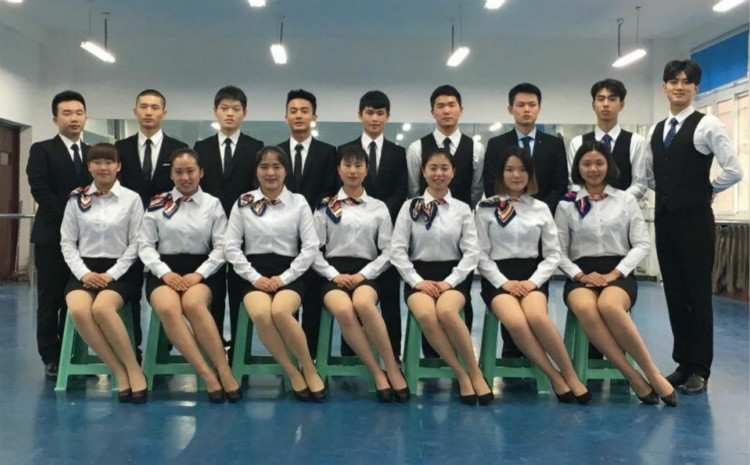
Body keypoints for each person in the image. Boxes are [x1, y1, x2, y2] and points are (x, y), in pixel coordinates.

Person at [644, 59, 743, 395]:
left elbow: (734, 170)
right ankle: (683, 363)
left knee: (697, 293)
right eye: (673, 81)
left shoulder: (708, 124)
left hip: (695, 221)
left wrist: (707, 190)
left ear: (695, 87)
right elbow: (650, 176)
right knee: (674, 291)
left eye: (686, 81)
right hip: (665, 219)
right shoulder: (657, 129)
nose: (679, 86)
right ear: (664, 86)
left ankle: (700, 368)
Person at [556, 141, 677, 407]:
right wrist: (580, 275)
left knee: (609, 306)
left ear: (608, 166)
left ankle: (653, 373)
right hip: (580, 276)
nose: (593, 169)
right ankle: (632, 376)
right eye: (587, 163)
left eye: (599, 163)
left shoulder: (625, 200)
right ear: (578, 168)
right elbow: (558, 251)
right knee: (586, 308)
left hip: (618, 274)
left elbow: (642, 244)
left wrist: (615, 272)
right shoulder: (567, 204)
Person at [476, 146, 590, 404]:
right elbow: (480, 254)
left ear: (530, 174)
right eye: (509, 169)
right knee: (516, 322)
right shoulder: (485, 208)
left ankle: (571, 376)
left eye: (522, 169)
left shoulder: (540, 208)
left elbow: (553, 254)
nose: (516, 175)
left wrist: (532, 282)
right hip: (498, 279)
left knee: (537, 317)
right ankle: (555, 376)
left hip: (532, 277)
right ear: (500, 174)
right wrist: (504, 282)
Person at [391, 148, 493, 405]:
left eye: (444, 168)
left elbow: (472, 252)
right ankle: (462, 374)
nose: (439, 173)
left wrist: (450, 282)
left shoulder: (462, 209)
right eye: (433, 168)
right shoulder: (409, 207)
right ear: (423, 172)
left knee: (447, 312)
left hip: (453, 278)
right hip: (418, 277)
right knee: (426, 314)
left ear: (453, 172)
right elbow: (398, 250)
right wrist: (417, 281)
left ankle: (475, 372)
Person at [138, 148, 241, 403]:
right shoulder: (157, 203)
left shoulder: (212, 204)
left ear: (201, 172)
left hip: (203, 269)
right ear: (171, 175)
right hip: (164, 270)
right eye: (179, 172)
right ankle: (207, 374)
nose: (185, 177)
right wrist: (164, 273)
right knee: (168, 308)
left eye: (190, 171)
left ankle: (224, 369)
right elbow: (145, 245)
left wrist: (199, 274)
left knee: (193, 304)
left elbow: (222, 246)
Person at [224, 146, 326, 401]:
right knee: (261, 313)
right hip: (253, 273)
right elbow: (231, 246)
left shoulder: (298, 202)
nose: (270, 173)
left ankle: (309, 368)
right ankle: (292, 372)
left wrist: (284, 278)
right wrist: (254, 277)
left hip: (289, 272)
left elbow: (310, 247)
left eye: (276, 167)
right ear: (256, 171)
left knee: (280, 311)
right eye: (264, 167)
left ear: (286, 171)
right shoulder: (243, 202)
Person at [312, 145, 409, 403]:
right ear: (339, 169)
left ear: (367, 170)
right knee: (344, 310)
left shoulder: (378, 207)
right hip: (333, 275)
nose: (353, 171)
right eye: (347, 165)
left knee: (364, 304)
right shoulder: (324, 207)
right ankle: (377, 372)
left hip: (366, 273)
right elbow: (313, 249)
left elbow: (388, 250)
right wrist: (333, 275)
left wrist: (364, 274)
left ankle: (392, 366)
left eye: (358, 165)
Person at [482, 82, 569, 358]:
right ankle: (512, 353)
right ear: (511, 109)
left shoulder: (554, 144)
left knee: (533, 306)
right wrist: (512, 209)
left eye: (532, 105)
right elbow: (489, 182)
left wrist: (535, 210)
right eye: (520, 105)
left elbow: (560, 184)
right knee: (512, 309)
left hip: (539, 226)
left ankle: (533, 359)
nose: (526, 109)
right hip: (503, 223)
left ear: (539, 108)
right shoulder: (497, 144)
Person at [60, 143, 146, 403]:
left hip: (121, 270)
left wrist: (112, 274)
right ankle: (118, 370)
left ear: (118, 166)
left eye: (109, 162)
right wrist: (84, 273)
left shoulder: (131, 199)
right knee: (78, 310)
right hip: (84, 269)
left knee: (102, 309)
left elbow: (137, 243)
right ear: (89, 167)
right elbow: (67, 242)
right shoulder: (76, 199)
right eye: (97, 162)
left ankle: (133, 368)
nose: (103, 167)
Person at [405, 85, 484, 354]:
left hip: (458, 230)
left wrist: (457, 214)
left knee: (462, 303)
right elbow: (413, 188)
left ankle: (462, 356)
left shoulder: (476, 148)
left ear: (461, 110)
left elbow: (476, 190)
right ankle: (431, 357)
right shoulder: (417, 148)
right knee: (427, 310)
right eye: (440, 106)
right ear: (432, 112)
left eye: (452, 105)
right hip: (423, 232)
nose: (446, 110)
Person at [116, 89, 189, 361]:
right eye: (144, 107)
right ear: (135, 111)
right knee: (130, 289)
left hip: (167, 229)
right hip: (127, 231)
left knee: (166, 288)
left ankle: (163, 347)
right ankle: (132, 346)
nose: (149, 112)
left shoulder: (178, 149)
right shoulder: (121, 149)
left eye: (155, 107)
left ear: (164, 113)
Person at [26, 90, 92, 379]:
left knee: (77, 300)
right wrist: (71, 218)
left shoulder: (93, 153)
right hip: (51, 238)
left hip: (86, 241)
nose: (73, 118)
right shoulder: (42, 150)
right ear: (55, 119)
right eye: (67, 113)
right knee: (50, 300)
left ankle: (73, 355)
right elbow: (40, 190)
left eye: (79, 113)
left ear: (85, 117)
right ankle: (51, 358)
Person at [337, 90, 407, 360]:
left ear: (387, 116)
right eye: (369, 112)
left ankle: (393, 355)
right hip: (353, 238)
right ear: (360, 115)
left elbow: (401, 192)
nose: (374, 118)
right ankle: (350, 354)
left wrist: (377, 214)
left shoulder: (398, 153)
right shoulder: (343, 150)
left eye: (380, 113)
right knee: (350, 301)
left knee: (389, 299)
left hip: (387, 235)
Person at [196, 85, 264, 352]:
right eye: (224, 108)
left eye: (236, 109)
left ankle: (238, 349)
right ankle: (213, 348)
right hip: (208, 229)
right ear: (215, 111)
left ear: (244, 113)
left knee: (238, 292)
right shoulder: (201, 147)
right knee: (212, 290)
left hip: (243, 230)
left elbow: (256, 191)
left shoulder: (255, 147)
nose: (229, 113)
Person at [275, 89, 337, 356]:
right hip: (282, 236)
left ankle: (311, 355)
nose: (298, 116)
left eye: (304, 111)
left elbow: (330, 192)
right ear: (286, 117)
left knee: (312, 299)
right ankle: (289, 354)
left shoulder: (328, 152)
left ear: (314, 116)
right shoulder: (275, 154)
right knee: (286, 299)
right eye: (293, 111)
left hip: (315, 236)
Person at [568, 79, 648, 198]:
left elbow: (640, 184)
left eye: (612, 99)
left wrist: (615, 203)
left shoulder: (636, 141)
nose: (606, 104)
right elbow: (574, 183)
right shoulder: (578, 142)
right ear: (593, 105)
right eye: (601, 99)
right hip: (586, 207)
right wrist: (592, 201)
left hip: (624, 208)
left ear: (621, 105)